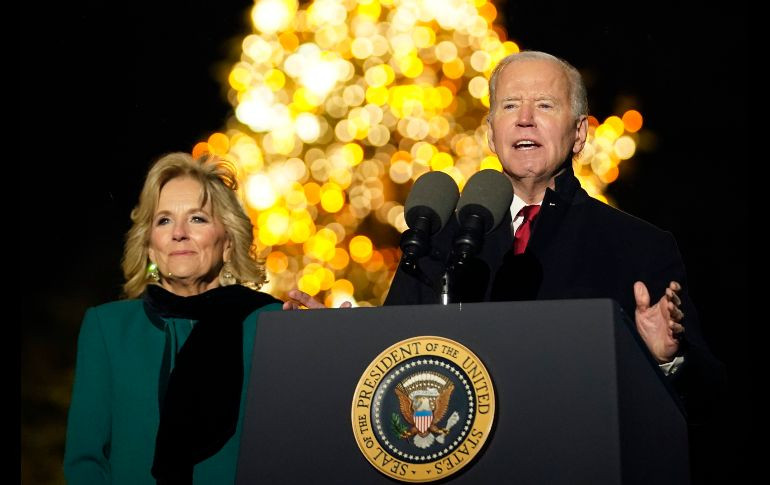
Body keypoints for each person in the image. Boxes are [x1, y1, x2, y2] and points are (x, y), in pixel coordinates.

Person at [381, 50, 727, 478]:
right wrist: (336, 340)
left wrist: (662, 361)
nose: (525, 119)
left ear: (579, 133)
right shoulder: (439, 239)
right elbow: (389, 360)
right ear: (492, 134)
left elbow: (710, 403)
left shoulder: (638, 245)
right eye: (510, 106)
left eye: (544, 105)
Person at [63, 152, 283, 484]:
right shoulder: (107, 328)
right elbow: (85, 463)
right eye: (164, 220)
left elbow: (295, 447)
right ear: (150, 246)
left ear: (228, 241)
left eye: (197, 218)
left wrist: (325, 337)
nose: (178, 233)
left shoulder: (269, 325)